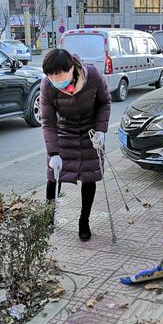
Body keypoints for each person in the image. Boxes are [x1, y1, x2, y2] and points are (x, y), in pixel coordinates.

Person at [39, 48, 111, 241]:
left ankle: (84, 221)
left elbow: (105, 102)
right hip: (64, 131)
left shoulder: (92, 75)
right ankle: (49, 217)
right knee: (54, 176)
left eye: (59, 74)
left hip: (91, 132)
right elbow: (47, 121)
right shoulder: (47, 85)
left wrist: (101, 130)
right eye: (50, 75)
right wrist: (53, 152)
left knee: (89, 176)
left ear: (71, 68)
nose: (55, 79)